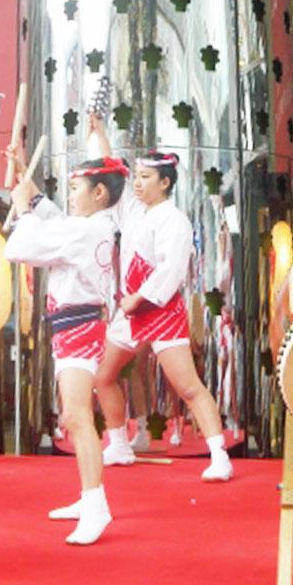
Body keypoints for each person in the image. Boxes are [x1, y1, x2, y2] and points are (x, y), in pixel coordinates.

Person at [90, 117, 233, 482]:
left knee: (187, 386)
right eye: (136, 177)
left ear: (165, 183)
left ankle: (219, 454)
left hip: (160, 310)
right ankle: (119, 443)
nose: (137, 184)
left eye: (145, 178)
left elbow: (171, 271)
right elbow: (112, 174)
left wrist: (139, 297)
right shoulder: (134, 211)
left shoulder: (176, 221)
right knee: (103, 375)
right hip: (131, 311)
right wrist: (101, 134)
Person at [3, 139, 128, 545]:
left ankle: (96, 505)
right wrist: (26, 180)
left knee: (76, 416)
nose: (69, 196)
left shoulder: (86, 229)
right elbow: (54, 220)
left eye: (76, 189)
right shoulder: (89, 226)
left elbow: (25, 244)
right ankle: (87, 496)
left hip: (79, 326)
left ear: (99, 193)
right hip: (75, 325)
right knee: (75, 416)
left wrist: (22, 209)